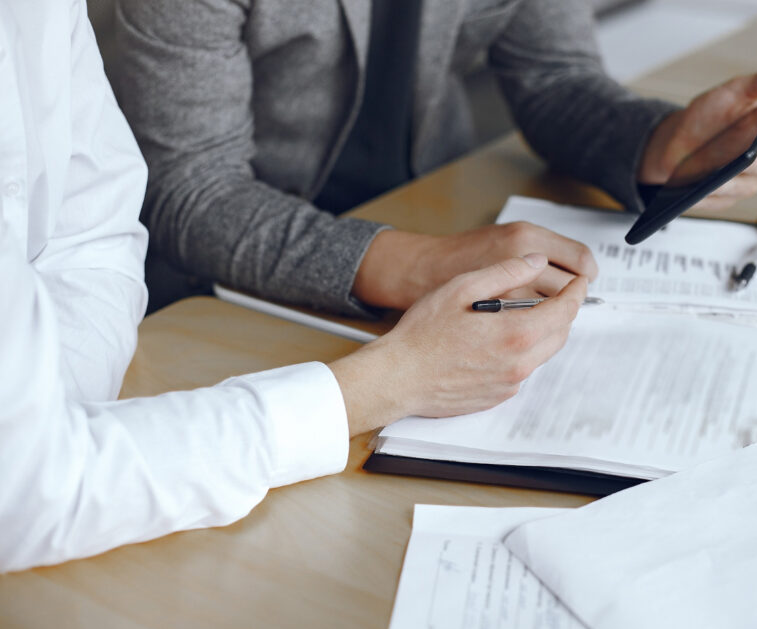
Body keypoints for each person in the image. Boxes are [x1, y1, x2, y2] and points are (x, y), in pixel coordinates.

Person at [0, 0, 584, 573]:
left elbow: (91, 234)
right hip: (228, 307)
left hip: (134, 410)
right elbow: (32, 487)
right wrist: (387, 380)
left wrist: (53, 407)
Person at [107, 0, 757, 313]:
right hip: (230, 287)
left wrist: (659, 143)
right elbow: (190, 189)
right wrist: (417, 265)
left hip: (439, 211)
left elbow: (554, 76)